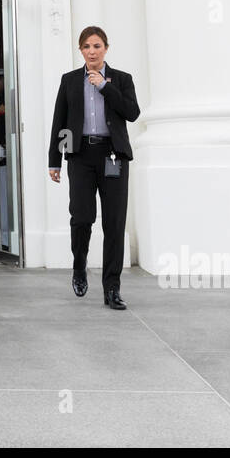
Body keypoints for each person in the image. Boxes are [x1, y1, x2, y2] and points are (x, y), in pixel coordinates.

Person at [47, 26, 140, 310]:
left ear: (106, 49)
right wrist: (55, 160)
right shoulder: (70, 80)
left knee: (114, 223)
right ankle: (79, 267)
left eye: (97, 46)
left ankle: (112, 288)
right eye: (86, 46)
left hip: (113, 155)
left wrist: (104, 86)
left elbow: (132, 113)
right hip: (80, 156)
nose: (92, 51)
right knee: (82, 217)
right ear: (81, 50)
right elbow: (59, 121)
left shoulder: (121, 79)